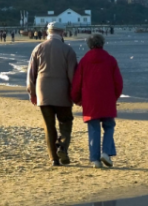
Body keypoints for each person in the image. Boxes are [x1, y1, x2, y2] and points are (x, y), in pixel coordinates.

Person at [27, 21, 77, 166]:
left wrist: (32, 92)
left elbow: (31, 73)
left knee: (49, 126)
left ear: (47, 32)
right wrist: (75, 93)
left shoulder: (38, 48)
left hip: (43, 91)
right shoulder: (68, 50)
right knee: (65, 122)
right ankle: (62, 147)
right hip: (62, 92)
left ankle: (53, 158)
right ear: (62, 33)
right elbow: (72, 75)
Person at [70, 33, 123, 168]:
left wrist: (76, 99)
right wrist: (114, 97)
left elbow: (77, 83)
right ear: (102, 44)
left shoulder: (84, 61)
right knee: (109, 126)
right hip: (107, 99)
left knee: (93, 129)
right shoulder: (110, 60)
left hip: (90, 100)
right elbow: (118, 83)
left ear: (89, 45)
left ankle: (95, 160)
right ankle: (106, 152)